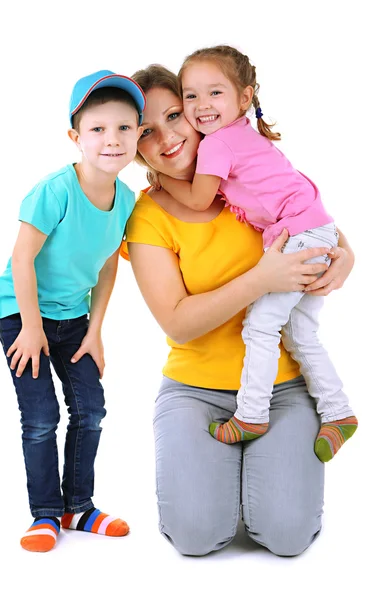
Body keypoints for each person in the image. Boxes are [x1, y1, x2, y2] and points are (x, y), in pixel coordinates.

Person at [123, 64, 355, 557]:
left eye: (173, 115)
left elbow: (310, 214)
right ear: (133, 144)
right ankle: (226, 470)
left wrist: (347, 253)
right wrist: (261, 280)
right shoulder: (148, 216)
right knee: (196, 536)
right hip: (196, 392)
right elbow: (177, 322)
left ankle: (268, 456)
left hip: (284, 388)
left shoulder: (240, 176)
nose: (166, 137)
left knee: (289, 535)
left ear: (195, 111)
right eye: (146, 130)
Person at [156, 45, 357, 461]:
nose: (201, 105)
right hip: (314, 228)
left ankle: (250, 414)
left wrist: (159, 177)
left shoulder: (216, 144)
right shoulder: (242, 133)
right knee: (300, 331)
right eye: (190, 96)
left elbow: (197, 200)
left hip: (300, 235)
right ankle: (338, 412)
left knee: (260, 326)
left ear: (244, 98)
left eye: (215, 93)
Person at [0, 70, 145, 552]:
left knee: (91, 410)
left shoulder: (127, 201)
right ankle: (45, 515)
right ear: (76, 137)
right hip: (23, 313)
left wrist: (95, 331)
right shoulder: (55, 191)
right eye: (98, 129)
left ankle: (78, 507)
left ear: (139, 134)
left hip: (73, 319)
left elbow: (106, 270)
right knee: (41, 418)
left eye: (124, 128)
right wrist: (32, 328)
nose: (112, 139)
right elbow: (22, 258)